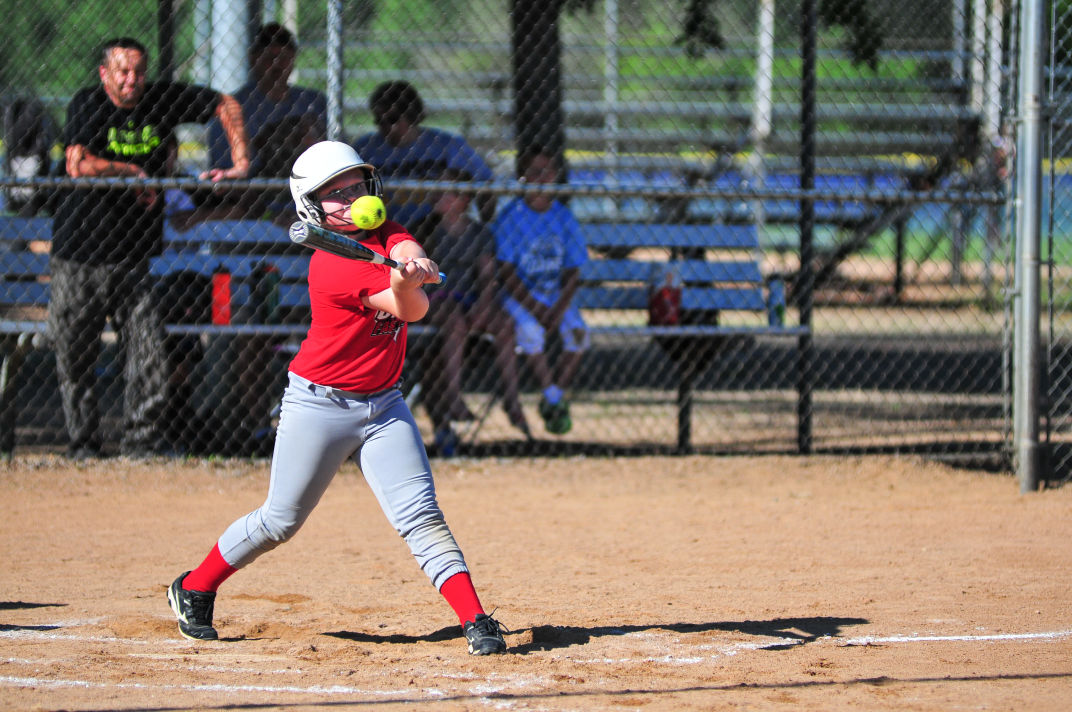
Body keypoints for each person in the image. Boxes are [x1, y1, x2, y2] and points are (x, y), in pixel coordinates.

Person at [166, 140, 509, 656]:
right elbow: (409, 311)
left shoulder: (381, 232)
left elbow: (406, 247)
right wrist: (405, 282)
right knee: (281, 519)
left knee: (420, 514)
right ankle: (194, 586)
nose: (349, 200)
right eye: (334, 195)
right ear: (311, 207)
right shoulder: (332, 266)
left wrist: (412, 261)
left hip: (383, 405)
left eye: (354, 187)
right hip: (319, 405)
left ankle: (476, 618)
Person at [49, 37, 250, 459]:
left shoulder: (161, 99)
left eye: (138, 71)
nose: (132, 81)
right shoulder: (88, 104)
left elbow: (225, 104)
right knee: (75, 357)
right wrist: (130, 170)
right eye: (122, 72)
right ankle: (83, 446)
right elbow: (77, 164)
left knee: (149, 354)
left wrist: (240, 161)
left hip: (133, 255)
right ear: (105, 73)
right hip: (79, 254)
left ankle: (140, 442)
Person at [420, 169, 530, 454]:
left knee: (504, 325)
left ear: (464, 200)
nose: (437, 197)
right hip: (436, 296)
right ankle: (455, 396)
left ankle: (511, 396)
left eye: (447, 192)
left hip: (469, 296)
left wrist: (484, 303)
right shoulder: (427, 230)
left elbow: (486, 275)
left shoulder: (479, 232)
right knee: (455, 322)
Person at [492, 146, 589, 435]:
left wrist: (557, 309)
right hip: (520, 296)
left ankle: (553, 395)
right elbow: (507, 274)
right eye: (534, 172)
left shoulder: (563, 216)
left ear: (556, 176)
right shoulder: (512, 217)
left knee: (579, 335)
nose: (542, 178)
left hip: (554, 297)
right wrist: (537, 309)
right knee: (532, 332)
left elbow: (573, 270)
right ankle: (553, 397)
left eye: (547, 172)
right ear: (522, 177)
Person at [351, 81, 495, 241]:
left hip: (434, 231)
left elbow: (485, 182)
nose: (386, 127)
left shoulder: (445, 145)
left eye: (392, 120)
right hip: (379, 226)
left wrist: (485, 222)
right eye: (379, 120)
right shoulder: (365, 148)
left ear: (412, 116)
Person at [206, 23, 326, 174]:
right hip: (252, 190)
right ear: (253, 59)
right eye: (269, 57)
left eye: (283, 58)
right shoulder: (233, 106)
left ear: (293, 59)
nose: (277, 65)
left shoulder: (313, 101)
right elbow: (222, 164)